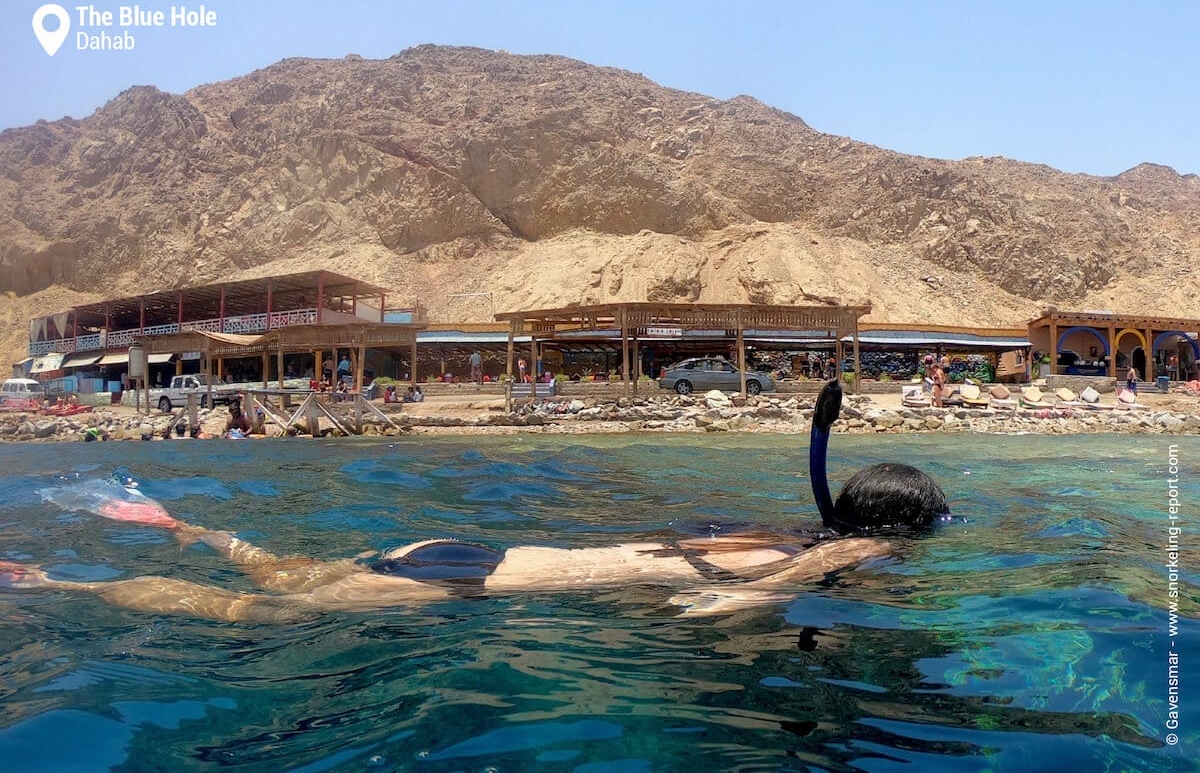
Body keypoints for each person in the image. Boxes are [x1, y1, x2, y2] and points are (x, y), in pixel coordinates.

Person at [3, 381, 955, 623]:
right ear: (895, 535)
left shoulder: (762, 530)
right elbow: (811, 570)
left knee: (287, 577)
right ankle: (58, 587)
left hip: (472, 550)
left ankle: (180, 522)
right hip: (471, 586)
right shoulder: (837, 552)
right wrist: (747, 605)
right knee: (263, 611)